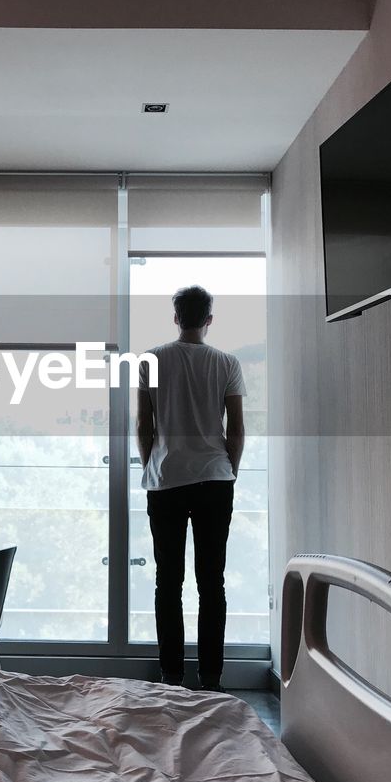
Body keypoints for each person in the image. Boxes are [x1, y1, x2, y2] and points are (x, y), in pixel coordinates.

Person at [136, 285, 245, 690]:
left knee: (169, 581)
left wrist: (152, 463)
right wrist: (228, 469)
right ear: (209, 319)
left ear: (176, 317)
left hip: (167, 480)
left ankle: (171, 675)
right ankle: (211, 678)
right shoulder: (227, 363)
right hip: (215, 479)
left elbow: (143, 423)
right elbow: (236, 427)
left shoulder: (152, 360)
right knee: (211, 581)